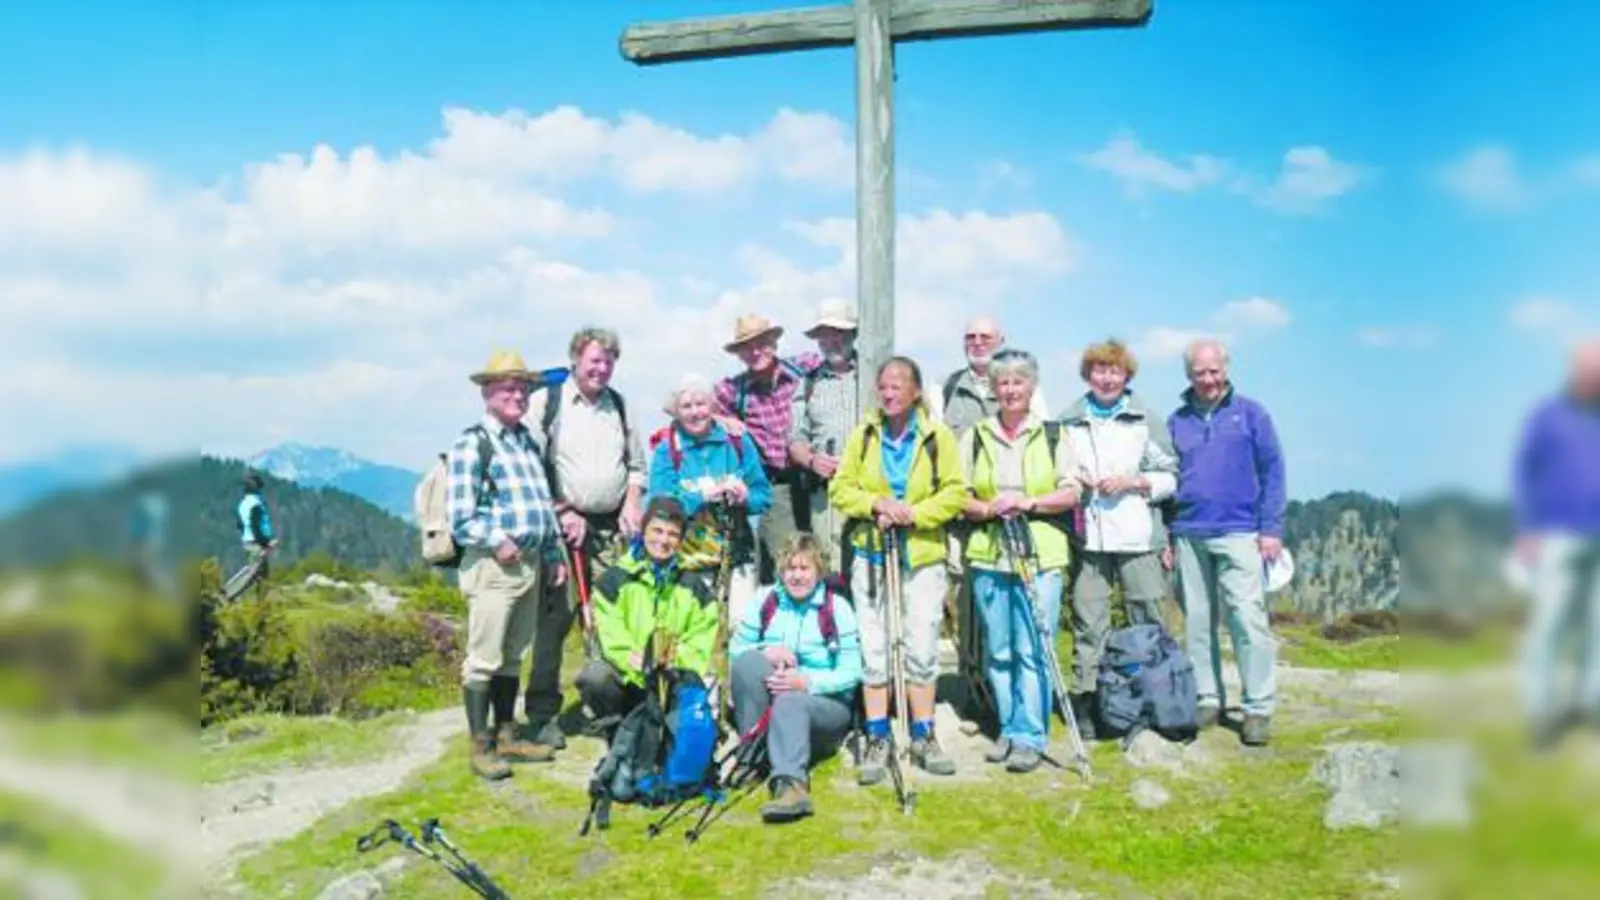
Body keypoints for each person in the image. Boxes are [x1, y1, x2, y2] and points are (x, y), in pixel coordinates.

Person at [829, 356, 968, 779]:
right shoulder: (864, 435)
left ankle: (923, 734)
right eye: (884, 386)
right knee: (874, 647)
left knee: (922, 644)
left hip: (922, 555)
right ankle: (877, 736)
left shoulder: (936, 436)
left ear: (916, 391)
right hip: (871, 554)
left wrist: (913, 513)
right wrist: (876, 505)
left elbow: (956, 492)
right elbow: (840, 488)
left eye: (898, 385)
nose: (889, 393)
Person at [956, 349, 1083, 772]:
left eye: (1018, 382)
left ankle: (1031, 734)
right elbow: (960, 495)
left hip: (1040, 554)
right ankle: (1008, 729)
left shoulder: (1052, 435)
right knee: (1000, 650)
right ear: (993, 389)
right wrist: (989, 508)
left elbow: (1071, 491)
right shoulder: (976, 435)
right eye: (1003, 383)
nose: (1010, 390)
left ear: (1032, 387)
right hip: (990, 554)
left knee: (1033, 649)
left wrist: (1029, 502)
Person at [522, 326, 648, 749]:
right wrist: (562, 510)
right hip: (562, 529)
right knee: (557, 618)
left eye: (609, 361)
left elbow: (636, 467)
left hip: (611, 527)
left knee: (613, 616)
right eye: (595, 360)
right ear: (575, 358)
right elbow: (528, 465)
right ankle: (542, 714)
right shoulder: (547, 403)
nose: (602, 368)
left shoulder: (621, 406)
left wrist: (632, 502)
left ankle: (609, 705)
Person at [447, 349, 569, 779]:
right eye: (508, 387)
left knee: (514, 655)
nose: (518, 394)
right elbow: (460, 517)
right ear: (487, 392)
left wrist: (553, 553)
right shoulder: (473, 443)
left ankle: (506, 734)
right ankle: (480, 746)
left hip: (531, 563)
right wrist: (497, 540)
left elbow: (543, 506)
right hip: (493, 567)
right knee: (484, 658)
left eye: (523, 387)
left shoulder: (524, 442)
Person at [1058, 339, 1179, 739]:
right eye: (1099, 370)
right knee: (1088, 622)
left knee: (1147, 618)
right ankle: (1088, 701)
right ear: (1087, 375)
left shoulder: (1146, 419)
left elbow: (1171, 477)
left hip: (1138, 536)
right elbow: (1058, 472)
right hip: (1089, 539)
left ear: (1127, 376)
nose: (1107, 378)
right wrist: (1078, 481)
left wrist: (1134, 482)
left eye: (1115, 372)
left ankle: (1154, 700)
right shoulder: (1069, 420)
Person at [1167, 338, 1285, 747]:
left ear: (1226, 369)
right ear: (1188, 376)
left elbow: (1273, 471)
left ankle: (1257, 708)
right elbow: (1167, 481)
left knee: (1248, 620)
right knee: (1198, 623)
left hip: (1241, 532)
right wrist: (1166, 534)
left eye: (1214, 371)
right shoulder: (1175, 421)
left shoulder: (1253, 415)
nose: (1208, 379)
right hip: (1187, 532)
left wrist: (1271, 529)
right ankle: (1207, 698)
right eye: (1199, 372)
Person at [728, 532, 863, 823]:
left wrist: (807, 682)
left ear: (818, 571)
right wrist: (766, 650)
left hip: (825, 706)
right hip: (776, 696)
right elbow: (736, 651)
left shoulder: (836, 607)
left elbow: (852, 672)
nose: (797, 576)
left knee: (791, 701)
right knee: (748, 663)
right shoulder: (765, 599)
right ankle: (751, 758)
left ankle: (792, 785)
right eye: (791, 568)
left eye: (805, 569)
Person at [1511, 336, 1600, 749]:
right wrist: (1527, 528)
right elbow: (1526, 471)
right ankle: (1541, 715)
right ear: (1574, 371)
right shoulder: (1548, 415)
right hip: (1557, 535)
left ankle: (1590, 704)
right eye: (1587, 369)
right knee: (1549, 624)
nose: (1592, 377)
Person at [646, 374, 773, 650]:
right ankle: (700, 692)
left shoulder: (737, 441)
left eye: (701, 404)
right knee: (693, 635)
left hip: (736, 554)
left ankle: (737, 690)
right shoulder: (668, 450)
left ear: (713, 405)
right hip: (688, 559)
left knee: (742, 628)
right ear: (676, 411)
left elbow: (763, 495)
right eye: (687, 406)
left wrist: (744, 497)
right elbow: (657, 505)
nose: (695, 412)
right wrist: (699, 496)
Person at [574, 496, 719, 733]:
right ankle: (616, 727)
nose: (663, 540)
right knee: (595, 677)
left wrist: (670, 660)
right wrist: (636, 660)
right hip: (629, 675)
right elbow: (611, 635)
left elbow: (701, 641)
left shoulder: (696, 589)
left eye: (672, 534)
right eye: (657, 531)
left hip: (672, 678)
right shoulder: (613, 581)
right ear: (643, 532)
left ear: (682, 541)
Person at [715, 314, 823, 586]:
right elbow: (680, 404)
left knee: (824, 555)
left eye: (761, 343)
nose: (755, 352)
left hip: (819, 477)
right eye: (746, 347)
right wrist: (722, 419)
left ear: (774, 342)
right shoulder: (734, 390)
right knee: (785, 560)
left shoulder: (806, 368)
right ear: (738, 354)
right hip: (777, 485)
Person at [787, 298, 863, 569]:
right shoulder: (807, 384)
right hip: (827, 496)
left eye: (839, 332)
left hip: (871, 489)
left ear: (853, 334)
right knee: (831, 567)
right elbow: (795, 438)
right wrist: (811, 461)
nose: (832, 340)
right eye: (825, 334)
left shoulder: (875, 376)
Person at [236, 472, 277, 599]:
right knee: (257, 577)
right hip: (257, 544)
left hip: (247, 542)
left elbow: (240, 525)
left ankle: (259, 607)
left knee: (256, 575)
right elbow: (256, 527)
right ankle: (259, 608)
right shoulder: (256, 504)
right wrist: (266, 542)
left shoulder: (243, 503)